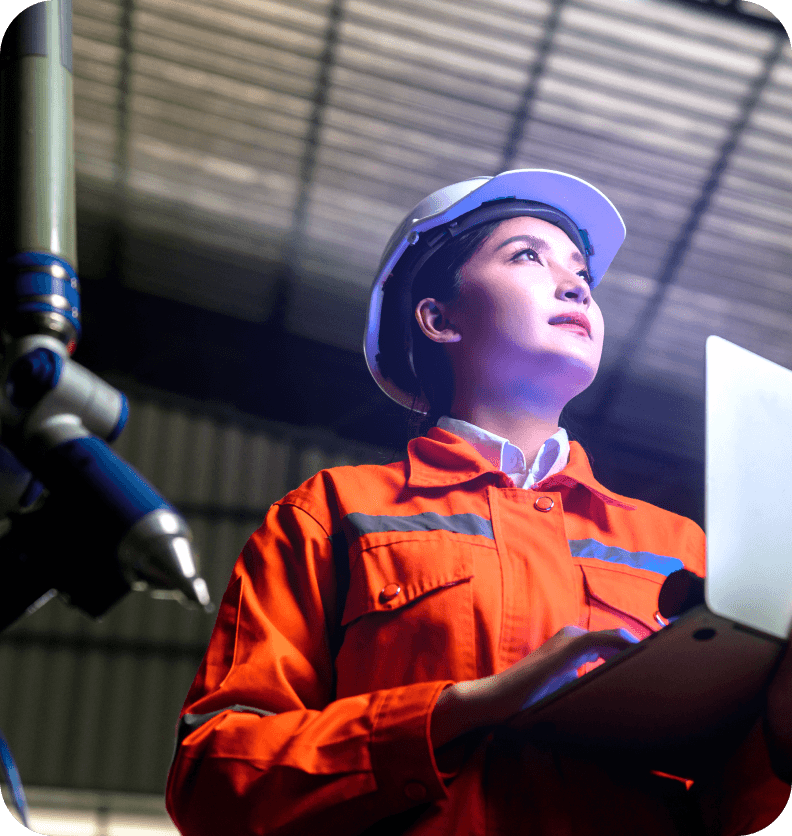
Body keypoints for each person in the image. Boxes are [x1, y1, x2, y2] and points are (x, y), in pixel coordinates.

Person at [166, 170, 792, 835]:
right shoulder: (330, 516)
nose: (576, 283)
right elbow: (213, 777)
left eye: (582, 272)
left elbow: (729, 805)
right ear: (439, 318)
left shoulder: (678, 546)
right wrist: (461, 709)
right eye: (527, 255)